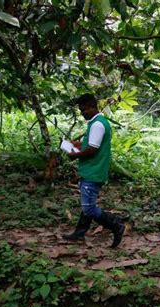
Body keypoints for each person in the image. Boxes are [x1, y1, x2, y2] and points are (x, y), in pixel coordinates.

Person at [63, 93, 125, 248]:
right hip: (92, 169)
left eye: (83, 110)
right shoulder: (96, 122)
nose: (82, 113)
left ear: (92, 107)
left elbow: (92, 149)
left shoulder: (97, 124)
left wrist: (75, 155)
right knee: (87, 204)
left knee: (89, 208)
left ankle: (116, 226)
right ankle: (79, 233)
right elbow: (89, 144)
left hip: (94, 171)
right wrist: (78, 144)